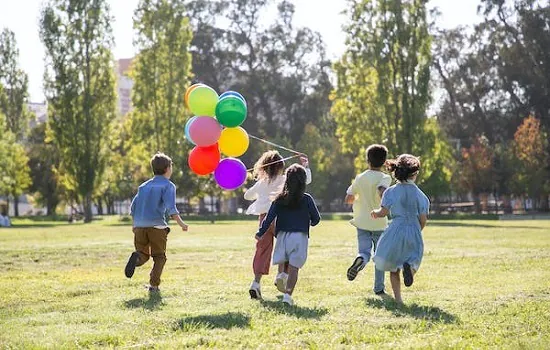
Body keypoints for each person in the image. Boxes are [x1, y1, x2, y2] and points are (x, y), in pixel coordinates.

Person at [244, 151, 311, 299]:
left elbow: (247, 195)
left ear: (264, 167)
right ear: (281, 166)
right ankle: (282, 275)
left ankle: (256, 283)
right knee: (286, 247)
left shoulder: (261, 183)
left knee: (262, 250)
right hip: (281, 218)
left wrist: (260, 192)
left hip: (264, 220)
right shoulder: (284, 180)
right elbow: (305, 180)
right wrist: (305, 166)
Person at [255, 164, 321, 305]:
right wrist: (310, 222)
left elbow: (269, 218)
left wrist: (260, 232)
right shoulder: (307, 199)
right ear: (303, 181)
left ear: (287, 180)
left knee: (284, 259)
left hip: (282, 235)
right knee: (294, 268)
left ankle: (281, 274)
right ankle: (288, 295)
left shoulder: (279, 199)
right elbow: (316, 218)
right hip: (300, 236)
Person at [124, 153, 189, 293]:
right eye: (171, 166)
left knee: (143, 254)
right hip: (157, 227)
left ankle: (136, 259)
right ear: (167, 168)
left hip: (139, 226)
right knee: (159, 257)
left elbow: (133, 207)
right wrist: (182, 224)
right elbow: (171, 208)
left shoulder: (143, 186)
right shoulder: (168, 186)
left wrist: (134, 225)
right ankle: (154, 286)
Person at [371, 154, 430, 304]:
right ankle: (409, 270)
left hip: (395, 229)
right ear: (414, 174)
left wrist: (375, 213)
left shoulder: (390, 192)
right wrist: (417, 230)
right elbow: (423, 219)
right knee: (414, 259)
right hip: (413, 229)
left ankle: (398, 300)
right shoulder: (420, 195)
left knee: (393, 266)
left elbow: (383, 212)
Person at [345, 144, 391, 295]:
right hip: (379, 222)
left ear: (367, 161)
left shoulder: (360, 177)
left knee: (364, 251)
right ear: (384, 162)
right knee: (380, 256)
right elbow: (381, 191)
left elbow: (349, 198)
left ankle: (360, 260)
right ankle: (379, 288)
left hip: (362, 221)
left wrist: (359, 199)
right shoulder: (385, 177)